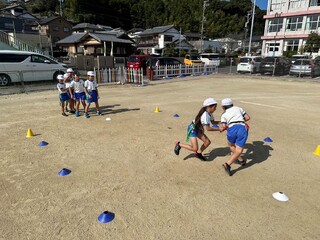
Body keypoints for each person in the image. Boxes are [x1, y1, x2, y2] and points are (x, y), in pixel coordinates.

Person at [220, 98, 250, 176]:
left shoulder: (223, 114)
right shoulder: (238, 108)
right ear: (232, 104)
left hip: (231, 129)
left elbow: (224, 126)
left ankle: (240, 160)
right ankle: (227, 164)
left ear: (223, 107)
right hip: (241, 127)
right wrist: (240, 121)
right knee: (239, 149)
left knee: (231, 145)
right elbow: (247, 117)